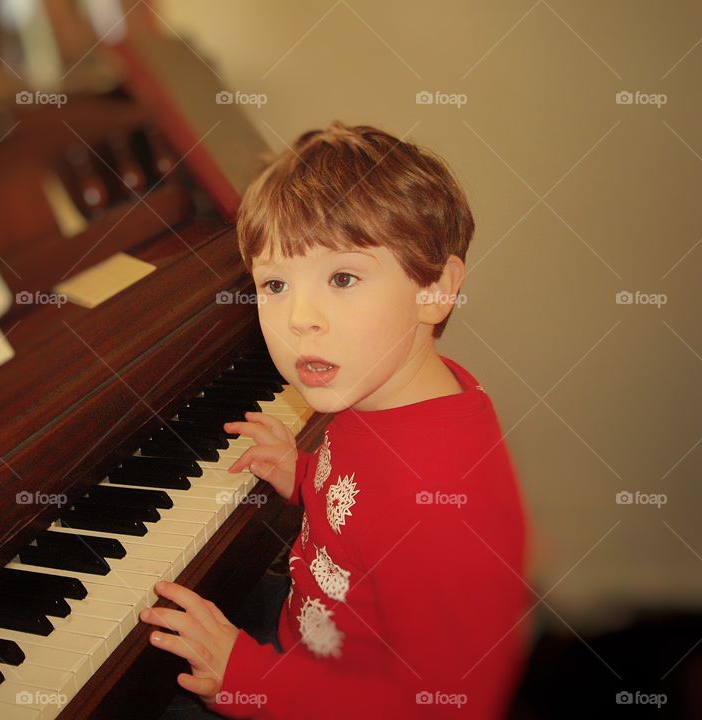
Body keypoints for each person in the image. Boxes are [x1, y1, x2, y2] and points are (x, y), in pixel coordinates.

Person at [141, 121, 530, 719]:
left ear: (435, 289)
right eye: (274, 283)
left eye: (342, 278)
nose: (300, 318)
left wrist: (250, 681)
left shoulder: (443, 501)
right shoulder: (383, 390)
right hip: (317, 629)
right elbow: (365, 508)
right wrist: (300, 474)